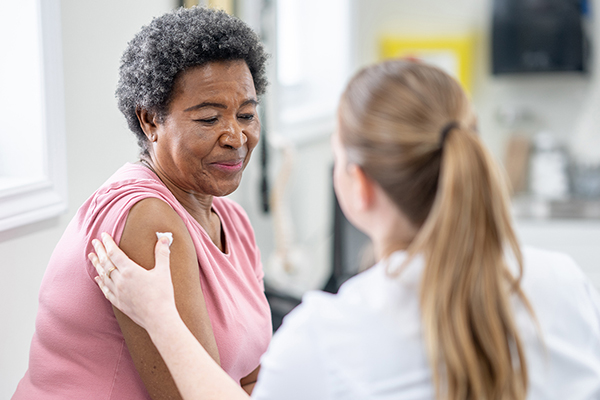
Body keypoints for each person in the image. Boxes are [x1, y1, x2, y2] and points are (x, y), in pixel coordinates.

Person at [91, 60, 600, 400]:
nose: (235, 135)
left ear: (356, 183)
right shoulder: (561, 283)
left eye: (247, 113)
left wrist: (160, 316)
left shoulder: (329, 337)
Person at [13, 6, 272, 400]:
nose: (236, 136)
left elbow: (251, 376)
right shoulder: (148, 219)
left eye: (247, 114)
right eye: (208, 119)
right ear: (150, 120)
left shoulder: (232, 220)